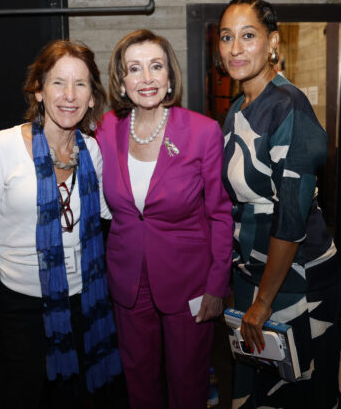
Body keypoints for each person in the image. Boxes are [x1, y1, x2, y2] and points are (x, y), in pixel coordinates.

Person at [0, 41, 122, 408]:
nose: (69, 96)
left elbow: (109, 213)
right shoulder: (3, 146)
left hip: (83, 299)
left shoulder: (91, 151)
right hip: (19, 305)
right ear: (39, 90)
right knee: (20, 395)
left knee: (77, 397)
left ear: (93, 97)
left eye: (81, 84)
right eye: (58, 83)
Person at [95, 29, 233, 409]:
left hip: (189, 280)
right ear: (121, 82)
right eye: (134, 69)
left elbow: (220, 214)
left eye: (156, 67)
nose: (147, 78)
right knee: (139, 380)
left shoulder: (203, 132)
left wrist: (217, 286)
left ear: (170, 76)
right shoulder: (107, 129)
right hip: (128, 278)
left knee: (189, 382)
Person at [218, 0, 341, 408]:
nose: (235, 49)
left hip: (294, 274)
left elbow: (291, 219)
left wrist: (264, 301)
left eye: (248, 36)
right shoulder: (238, 107)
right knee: (258, 385)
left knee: (297, 388)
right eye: (226, 37)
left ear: (272, 42)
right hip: (255, 269)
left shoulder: (289, 106)